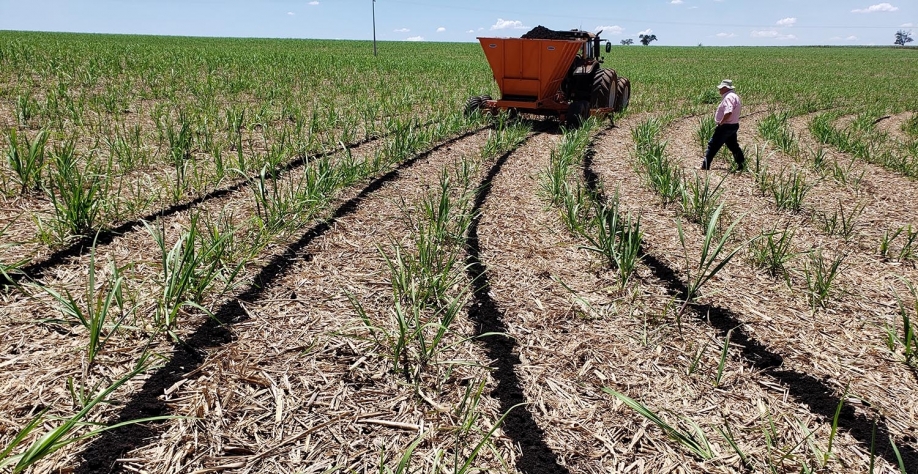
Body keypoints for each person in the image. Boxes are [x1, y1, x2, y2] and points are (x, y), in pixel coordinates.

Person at [702, 79, 745, 171]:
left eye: (721, 88)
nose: (719, 90)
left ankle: (705, 166)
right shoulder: (734, 96)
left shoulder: (728, 97)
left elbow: (728, 112)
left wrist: (721, 122)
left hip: (726, 126)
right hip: (733, 125)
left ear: (725, 88)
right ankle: (741, 164)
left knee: (713, 145)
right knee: (733, 146)